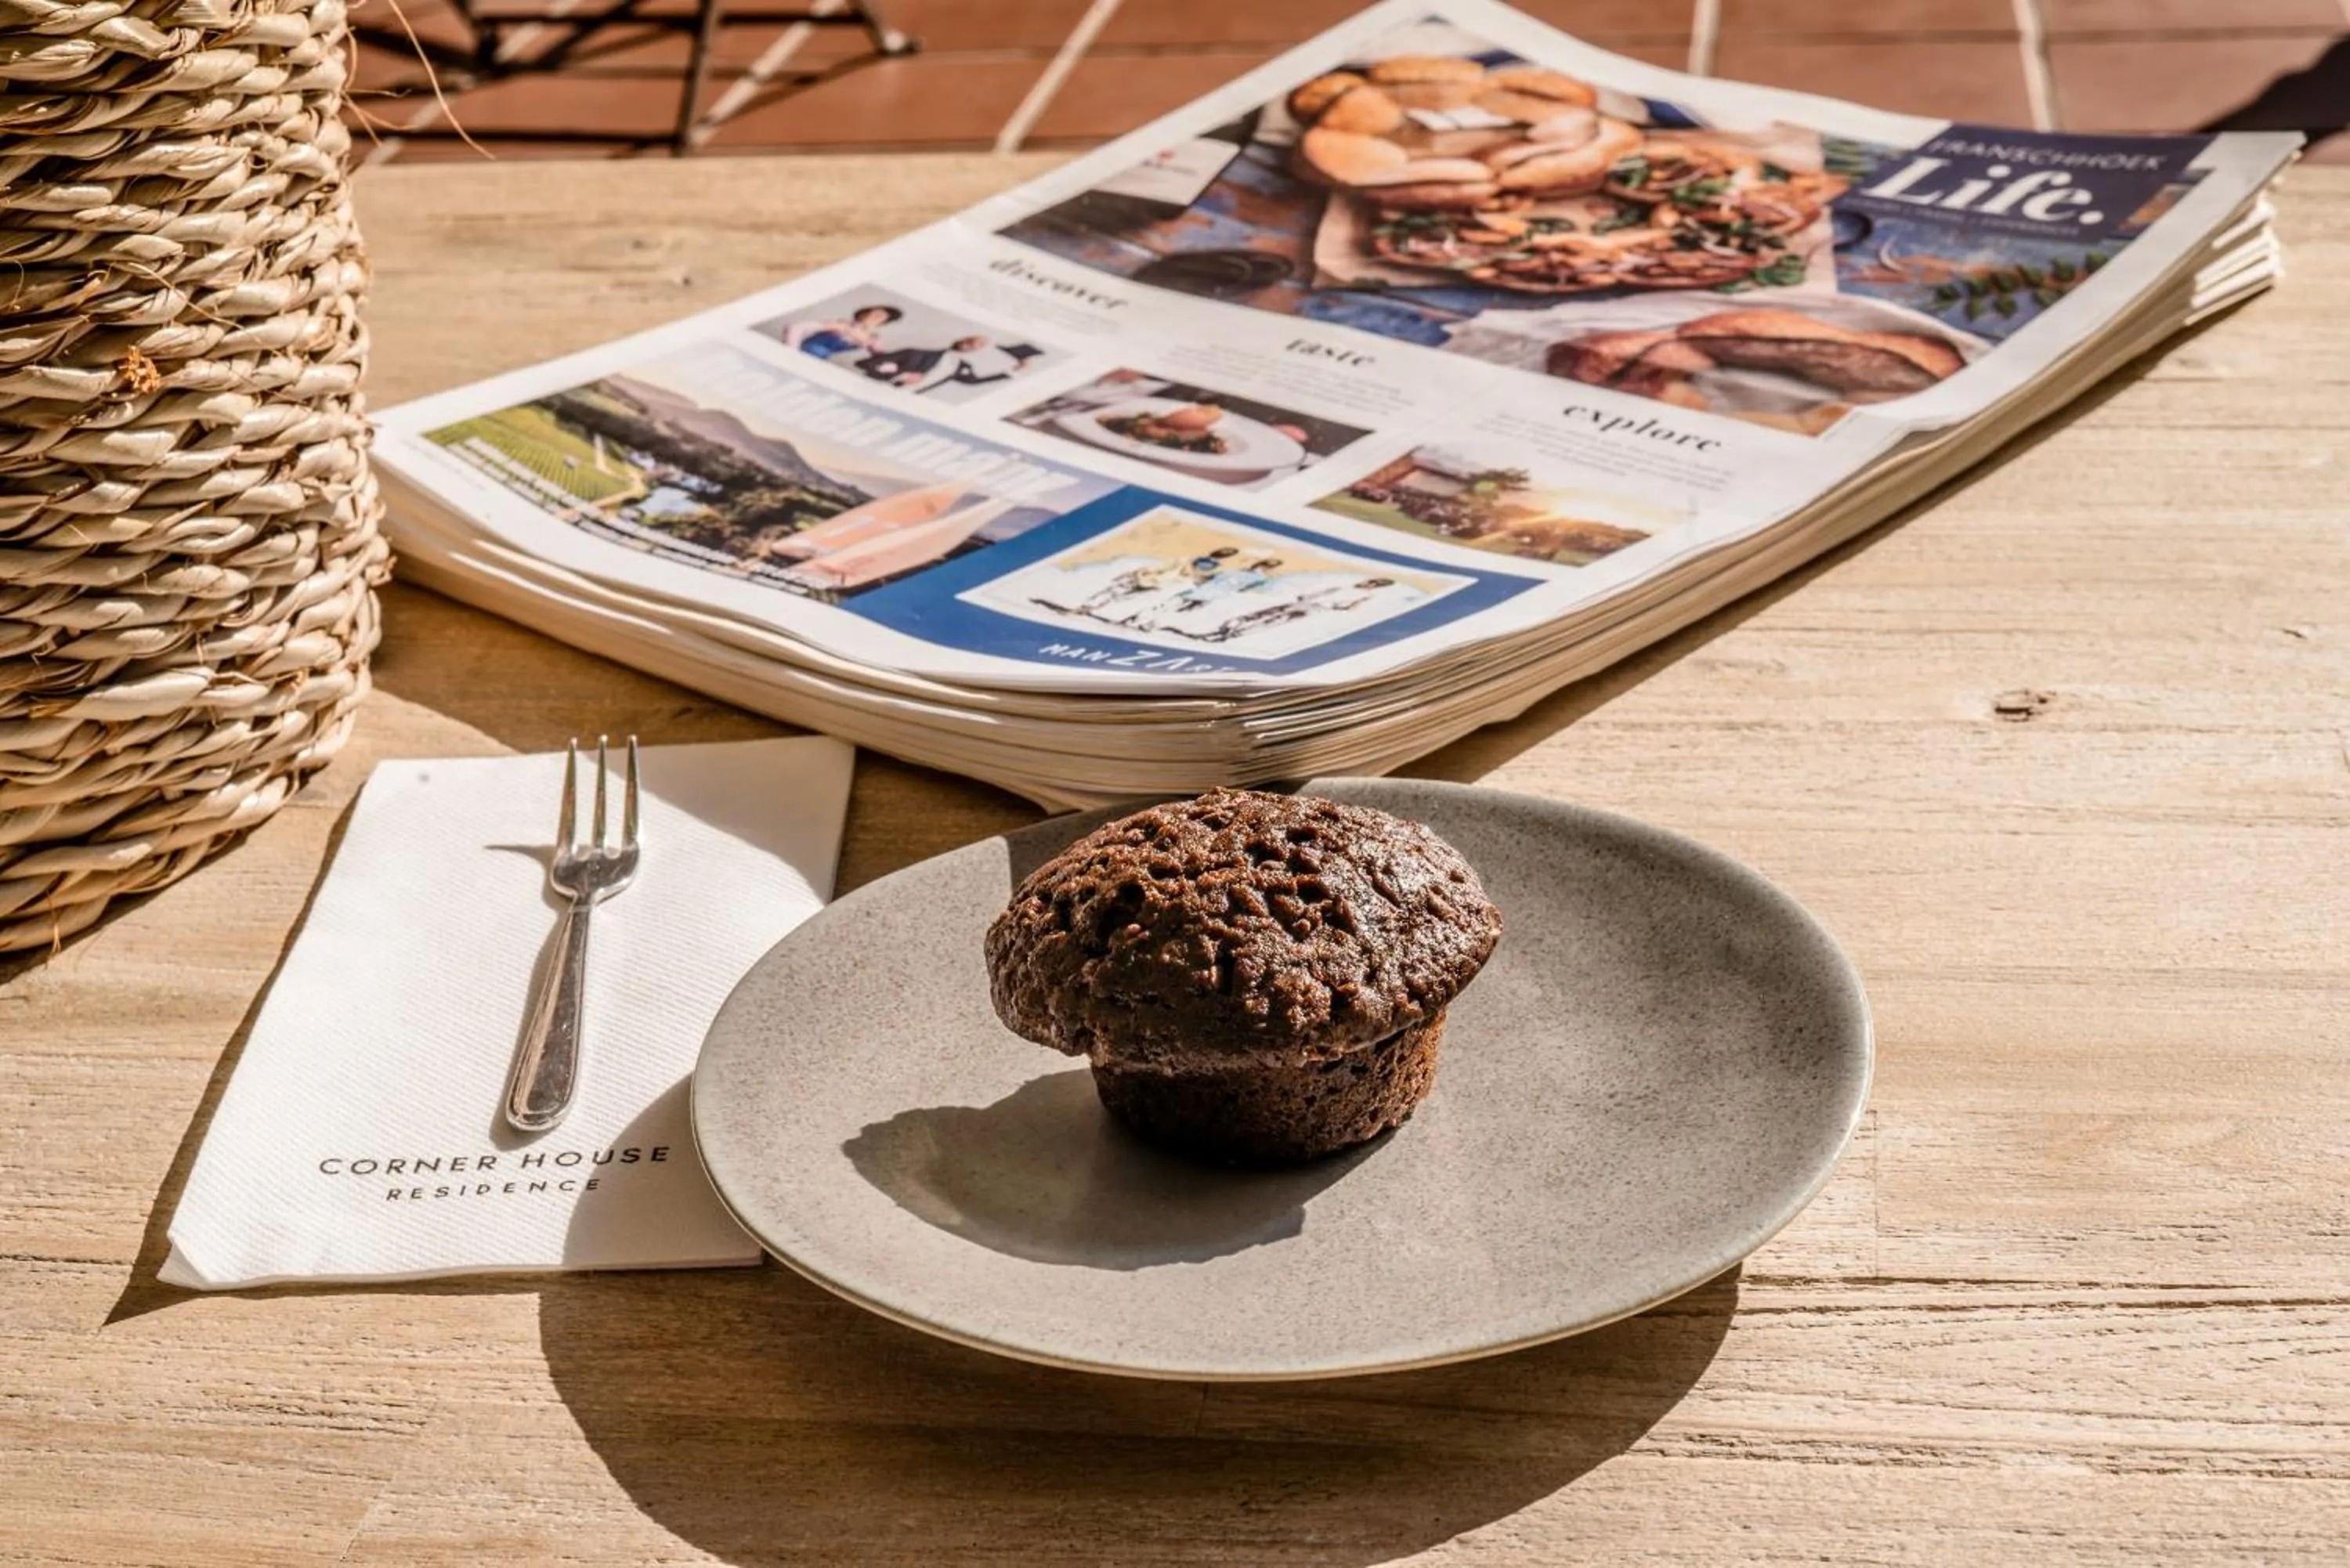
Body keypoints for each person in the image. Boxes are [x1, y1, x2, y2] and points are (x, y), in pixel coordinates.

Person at [1205, 577, 1396, 643]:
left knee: (1273, 621)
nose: (1368, 583)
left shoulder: (1363, 596)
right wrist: (1307, 596)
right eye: (1371, 581)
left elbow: (1346, 607)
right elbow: (1325, 591)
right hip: (1304, 603)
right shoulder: (1347, 584)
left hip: (1314, 609)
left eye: (1374, 583)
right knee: (1258, 615)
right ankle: (1222, 630)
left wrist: (1357, 603)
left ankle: (1232, 635)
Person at [1133, 555, 1282, 630]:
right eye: (1264, 566)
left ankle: (1147, 622)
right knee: (1175, 608)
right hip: (1209, 594)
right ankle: (1147, 622)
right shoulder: (1248, 574)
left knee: (1173, 607)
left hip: (1206, 593)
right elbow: (1217, 578)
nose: (1262, 568)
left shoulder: (1247, 575)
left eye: (1264, 567)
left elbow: (1212, 577)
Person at [783, 304, 902, 362]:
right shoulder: (842, 326)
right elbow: (796, 327)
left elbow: (882, 358)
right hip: (804, 353)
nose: (872, 317)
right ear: (862, 314)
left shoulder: (872, 339)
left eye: (879, 317)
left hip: (818, 361)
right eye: (871, 313)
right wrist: (791, 351)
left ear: (883, 322)